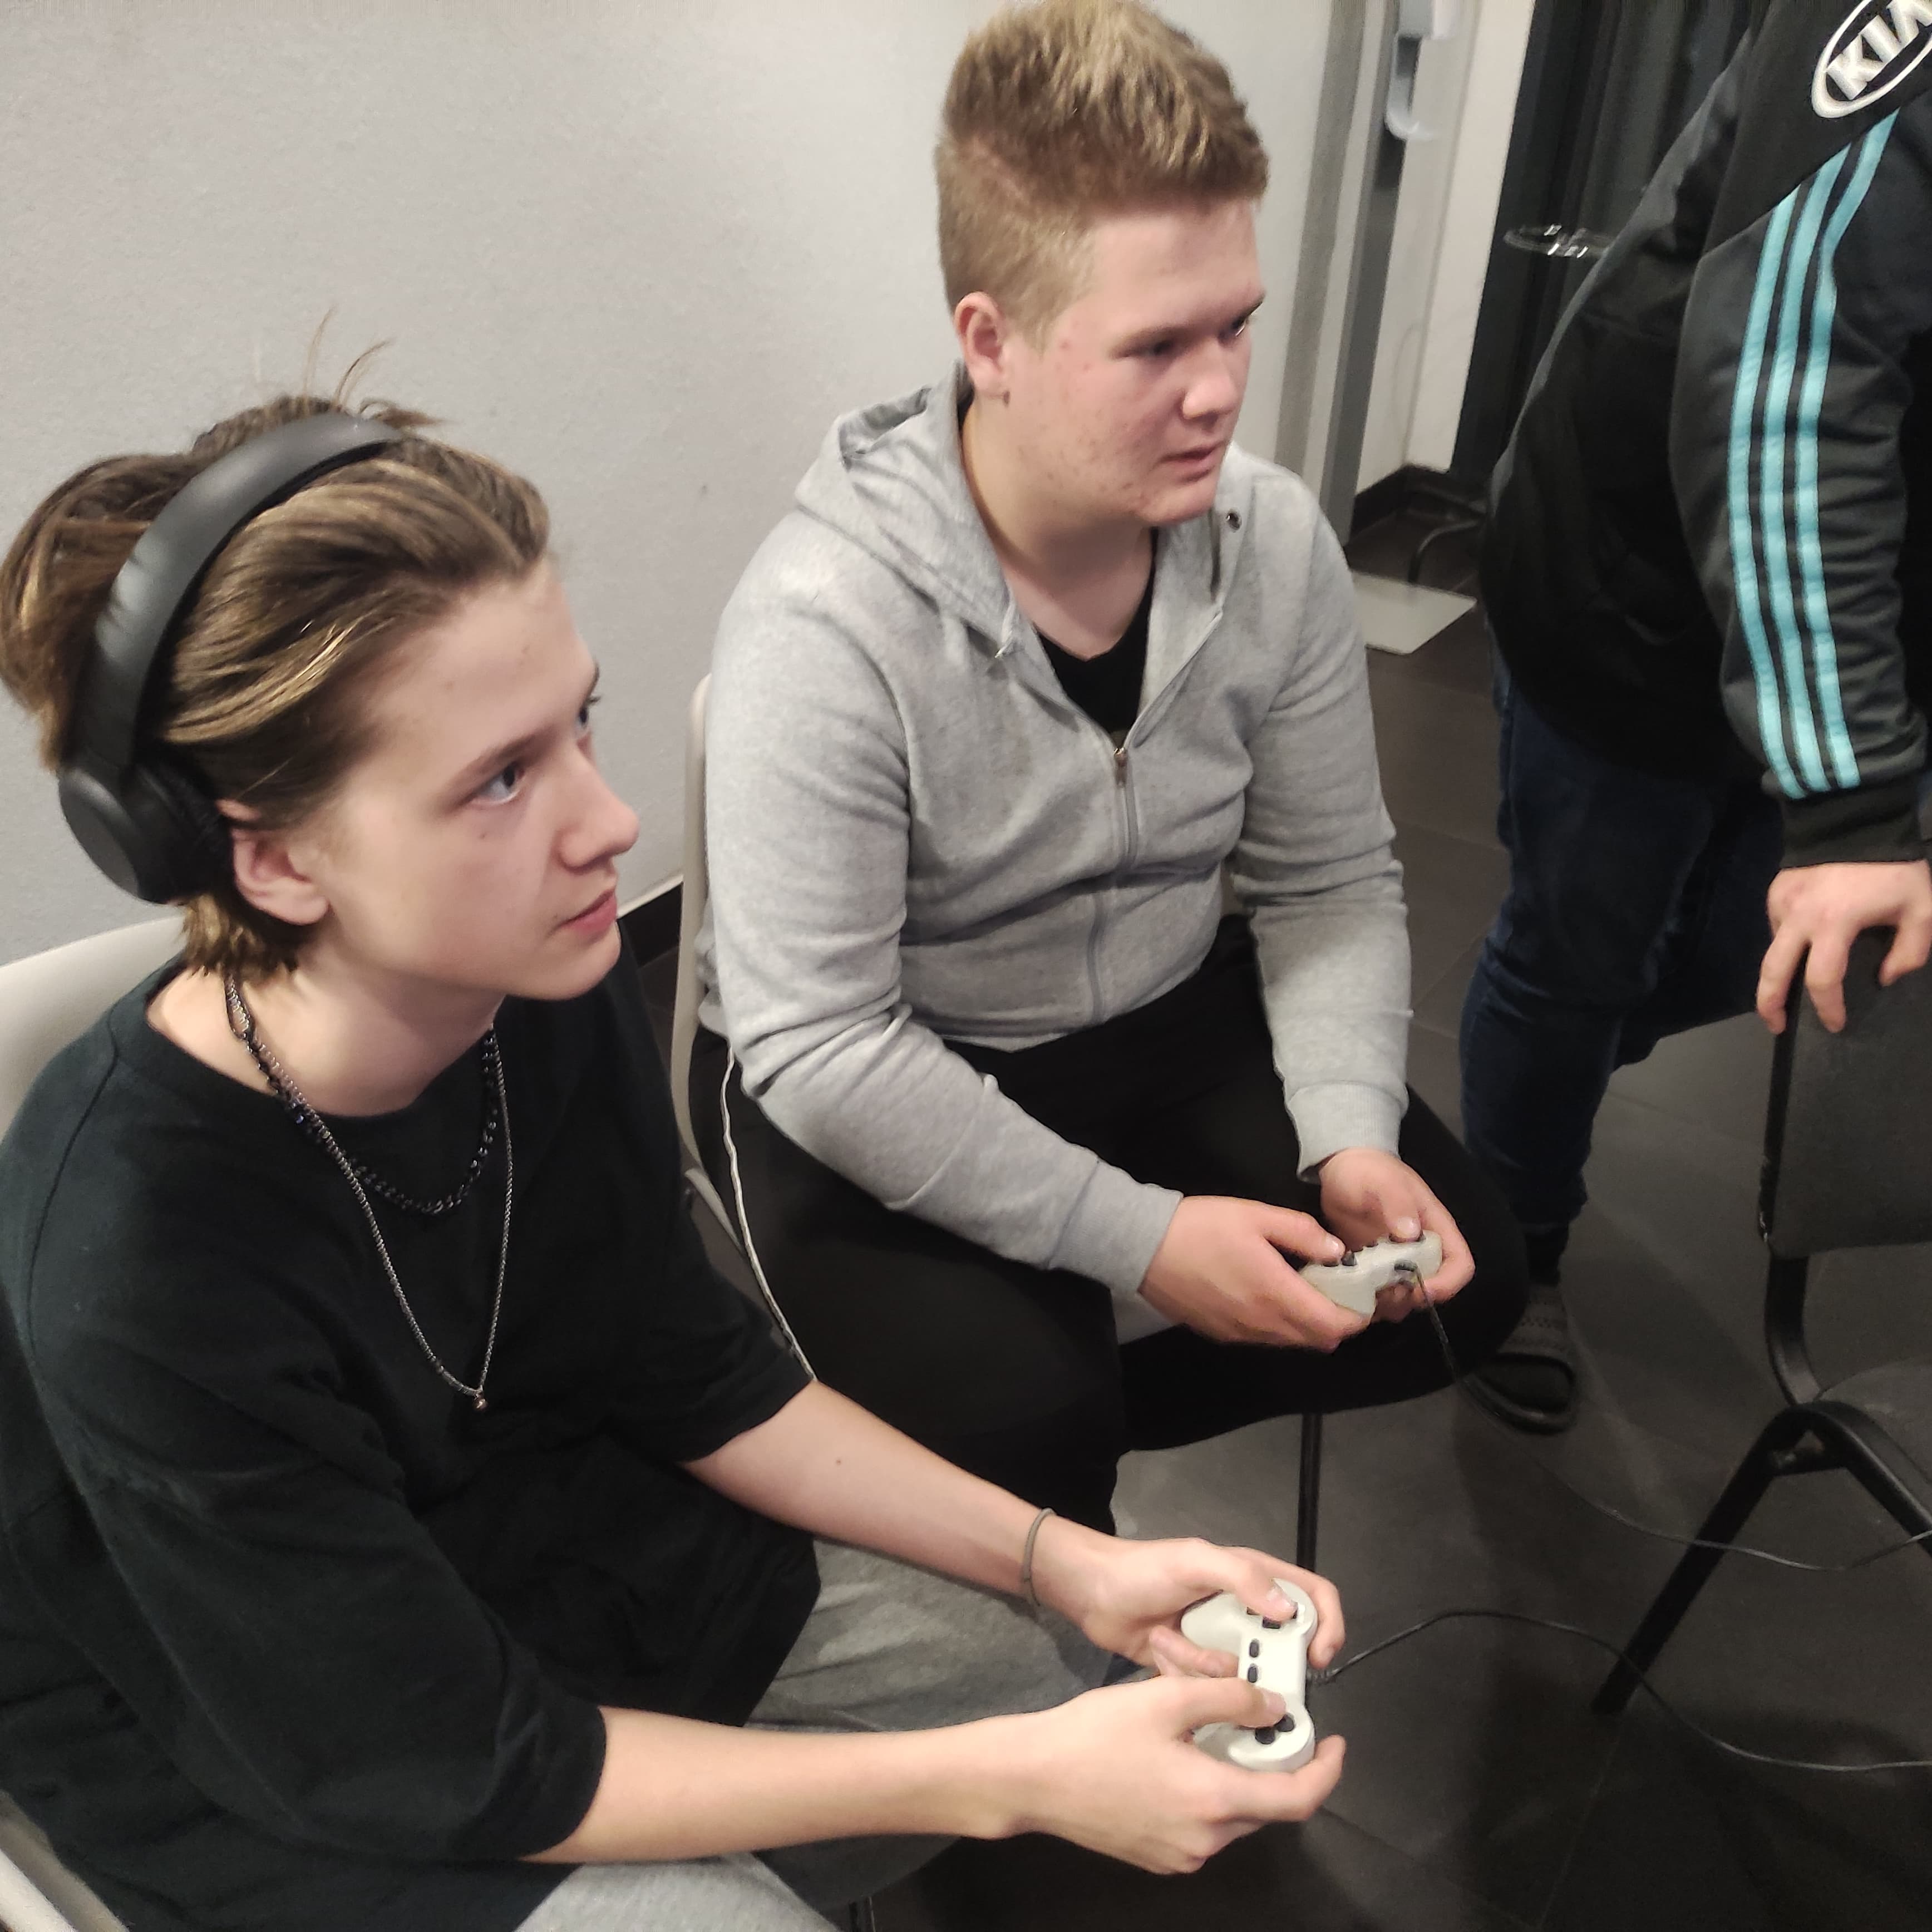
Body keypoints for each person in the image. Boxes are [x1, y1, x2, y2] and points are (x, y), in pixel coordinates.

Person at [0, 393, 1352, 1932]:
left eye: (576, 724)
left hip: (541, 1537)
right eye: (500, 779)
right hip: (291, 1745)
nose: (612, 822)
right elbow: (459, 1759)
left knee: (1060, 1656)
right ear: (275, 856)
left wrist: (1068, 1564)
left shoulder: (527, 982)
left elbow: (688, 1366)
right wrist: (1005, 1781)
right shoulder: (134, 1261)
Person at [693, 0, 1529, 1535]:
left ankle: (1032, 1453)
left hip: (1155, 1000)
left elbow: (1328, 877)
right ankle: (1006, 1464)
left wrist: (1347, 1128)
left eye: (1234, 325)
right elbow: (821, 1043)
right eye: (1155, 345)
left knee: (1460, 1289)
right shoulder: (822, 624)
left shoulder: (1272, 542)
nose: (1218, 391)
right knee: (1023, 1417)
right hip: (896, 1051)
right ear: (990, 342)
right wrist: (1141, 1242)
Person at [1461, 0, 1932, 1432]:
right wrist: (1852, 801)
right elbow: (1785, 384)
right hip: (1637, 583)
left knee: (1726, 955)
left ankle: (1537, 1070)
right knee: (1573, 955)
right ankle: (1509, 1240)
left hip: (1875, 607)